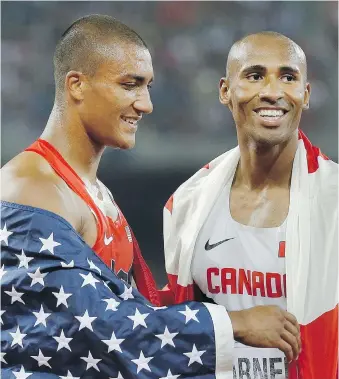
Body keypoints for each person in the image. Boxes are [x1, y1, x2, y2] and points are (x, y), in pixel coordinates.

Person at [0, 16, 299, 379]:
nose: (146, 104)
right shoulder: (31, 189)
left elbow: (129, 309)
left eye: (148, 87)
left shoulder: (91, 190)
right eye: (130, 85)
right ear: (77, 85)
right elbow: (102, 332)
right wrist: (232, 322)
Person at [163, 32, 338, 379]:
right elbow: (177, 327)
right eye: (255, 76)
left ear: (305, 94)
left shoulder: (334, 200)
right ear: (225, 91)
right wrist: (234, 325)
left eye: (288, 77)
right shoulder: (186, 204)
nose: (272, 92)